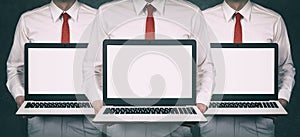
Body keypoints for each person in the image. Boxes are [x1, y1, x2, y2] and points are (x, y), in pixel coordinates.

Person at [83, 0, 217, 136]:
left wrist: (202, 101)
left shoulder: (191, 13)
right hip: (122, 126)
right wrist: (98, 100)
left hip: (175, 124)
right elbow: (91, 65)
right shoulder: (107, 13)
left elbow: (206, 65)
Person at [6, 0, 102, 136]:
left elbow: (107, 68)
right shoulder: (28, 20)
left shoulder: (99, 19)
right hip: (42, 120)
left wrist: (100, 99)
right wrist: (20, 96)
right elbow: (15, 67)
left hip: (87, 116)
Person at [201, 0, 295, 136]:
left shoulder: (273, 20)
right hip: (214, 120)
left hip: (259, 122)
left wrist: (282, 99)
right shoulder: (202, 19)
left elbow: (285, 67)